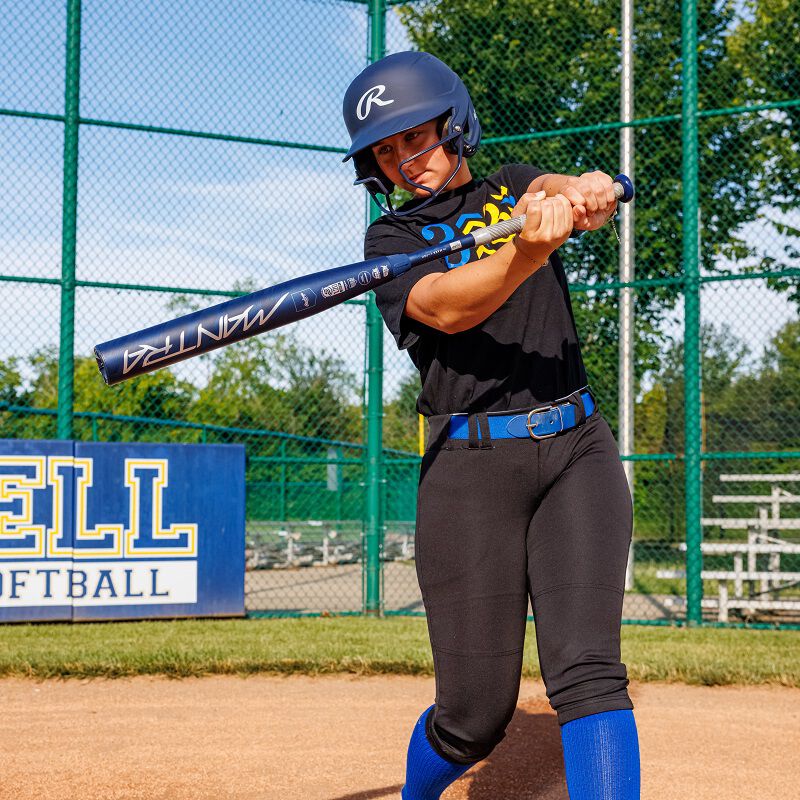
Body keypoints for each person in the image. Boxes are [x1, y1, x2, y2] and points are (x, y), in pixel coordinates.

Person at [342, 51, 640, 800]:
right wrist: (529, 250)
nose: (407, 160)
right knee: (475, 715)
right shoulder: (390, 247)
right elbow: (450, 305)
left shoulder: (511, 186)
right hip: (470, 469)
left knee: (589, 672)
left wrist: (582, 194)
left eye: (417, 136)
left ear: (455, 122)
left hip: (577, 450)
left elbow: (550, 188)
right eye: (386, 150)